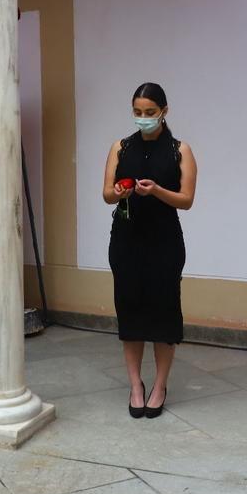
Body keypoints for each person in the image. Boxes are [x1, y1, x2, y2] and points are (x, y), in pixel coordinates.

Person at [102, 82, 197, 419]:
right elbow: (106, 195)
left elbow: (186, 200)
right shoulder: (120, 147)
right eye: (138, 113)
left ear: (164, 112)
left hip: (164, 241)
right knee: (129, 310)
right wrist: (118, 192)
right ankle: (135, 385)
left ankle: (159, 384)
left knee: (163, 311)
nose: (143, 119)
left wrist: (156, 190)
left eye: (150, 113)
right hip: (126, 239)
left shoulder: (179, 150)